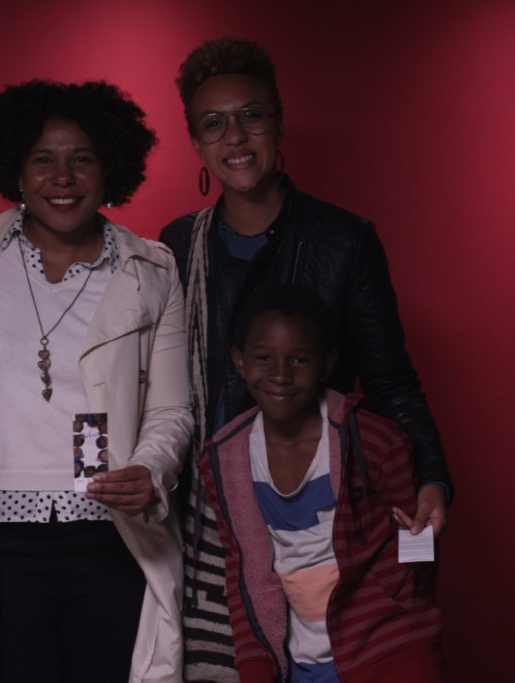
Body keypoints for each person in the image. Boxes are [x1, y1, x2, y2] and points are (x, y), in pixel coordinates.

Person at [158, 38, 452, 681]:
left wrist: (432, 476)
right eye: (214, 123)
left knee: (360, 655)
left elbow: (390, 380)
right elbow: (160, 388)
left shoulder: (344, 240)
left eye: (251, 115)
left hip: (326, 514)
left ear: (278, 123)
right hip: (218, 517)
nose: (235, 136)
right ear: (197, 143)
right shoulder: (176, 247)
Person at [0, 80, 193, 682]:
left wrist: (149, 470)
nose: (63, 177)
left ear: (110, 170)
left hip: (107, 535)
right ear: (17, 172)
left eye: (83, 159)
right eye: (43, 159)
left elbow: (171, 410)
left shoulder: (152, 268)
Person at [200, 284, 444, 682]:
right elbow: (243, 571)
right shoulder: (222, 459)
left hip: (390, 654)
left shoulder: (375, 441)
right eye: (264, 358)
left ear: (326, 364)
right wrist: (256, 666)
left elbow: (417, 544)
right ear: (239, 360)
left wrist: (403, 639)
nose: (280, 375)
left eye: (299, 359)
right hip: (299, 664)